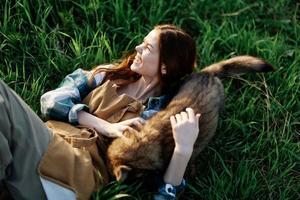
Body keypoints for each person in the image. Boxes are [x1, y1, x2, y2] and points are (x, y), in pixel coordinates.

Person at [0, 24, 200, 200]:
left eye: (147, 47)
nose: (137, 48)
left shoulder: (155, 118)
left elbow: (159, 192)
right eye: (142, 42)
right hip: (44, 143)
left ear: (165, 67)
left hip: (75, 171)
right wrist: (106, 127)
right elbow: (51, 101)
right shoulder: (107, 74)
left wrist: (183, 150)